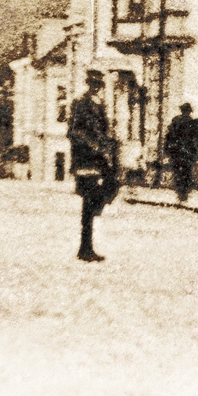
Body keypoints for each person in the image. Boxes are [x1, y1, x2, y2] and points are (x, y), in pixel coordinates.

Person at [68, 70, 119, 263]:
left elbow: (103, 130)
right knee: (88, 204)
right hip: (85, 159)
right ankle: (86, 248)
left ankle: (87, 243)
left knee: (113, 184)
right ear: (88, 84)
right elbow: (74, 131)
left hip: (100, 158)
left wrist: (109, 143)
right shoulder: (80, 103)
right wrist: (93, 145)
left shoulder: (100, 105)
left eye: (99, 84)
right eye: (94, 84)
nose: (96, 87)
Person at [164, 101, 198, 202]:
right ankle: (184, 193)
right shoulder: (193, 123)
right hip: (188, 151)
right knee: (187, 172)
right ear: (189, 112)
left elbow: (168, 136)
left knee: (177, 172)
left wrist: (167, 149)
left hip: (177, 151)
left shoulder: (175, 121)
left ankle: (180, 192)